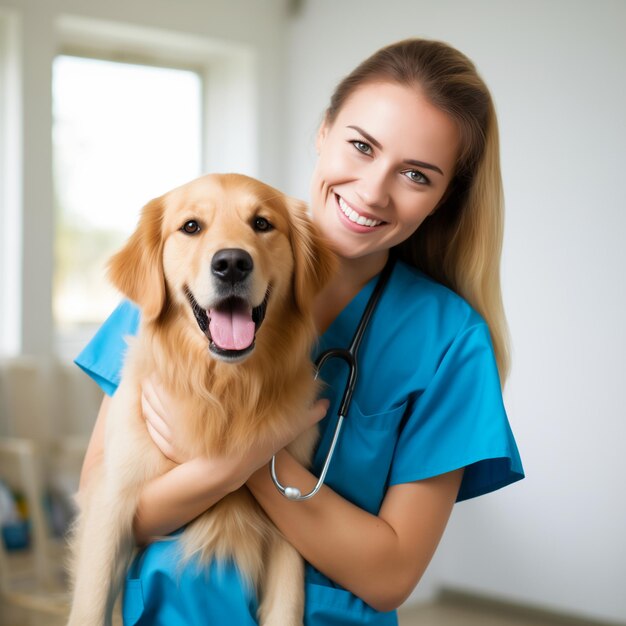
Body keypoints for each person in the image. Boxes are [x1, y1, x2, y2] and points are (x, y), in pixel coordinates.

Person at [76, 38, 524, 625]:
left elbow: (390, 576)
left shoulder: (449, 341)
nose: (371, 191)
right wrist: (225, 464)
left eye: (416, 174)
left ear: (444, 198)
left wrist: (255, 459)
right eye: (361, 146)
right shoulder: (185, 274)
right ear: (323, 131)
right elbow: (102, 504)